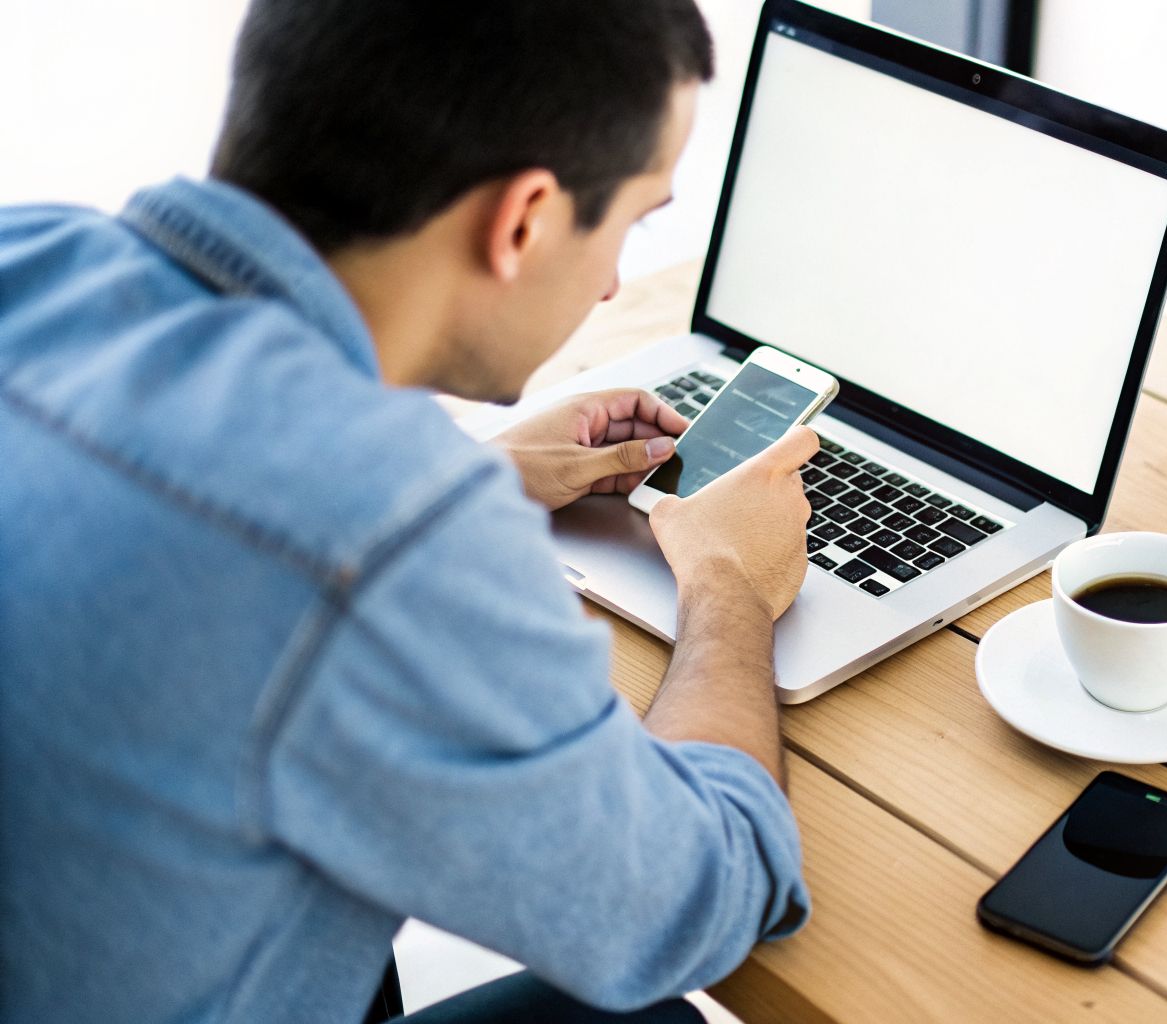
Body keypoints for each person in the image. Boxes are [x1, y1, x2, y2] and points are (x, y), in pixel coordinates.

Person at [0, 1, 817, 1021]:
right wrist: (727, 585)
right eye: (631, 222)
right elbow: (695, 898)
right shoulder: (387, 532)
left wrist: (476, 477)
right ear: (522, 219)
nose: (613, 284)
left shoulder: (25, 255)